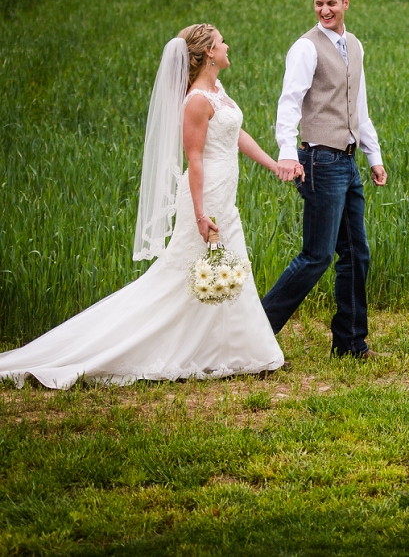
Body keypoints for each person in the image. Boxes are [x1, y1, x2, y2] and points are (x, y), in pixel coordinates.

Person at [0, 24, 285, 389]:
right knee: (190, 274)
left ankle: (233, 351)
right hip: (207, 194)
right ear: (209, 53)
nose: (228, 45)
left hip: (224, 192)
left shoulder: (217, 91)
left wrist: (273, 164)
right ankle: (140, 348)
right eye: (222, 41)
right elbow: (194, 158)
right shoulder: (197, 99)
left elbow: (235, 134)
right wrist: (200, 214)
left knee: (223, 267)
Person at [262, 0, 388, 358]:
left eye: (331, 3)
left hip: (347, 161)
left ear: (346, 3)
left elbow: (358, 107)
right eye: (319, 4)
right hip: (318, 159)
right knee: (316, 256)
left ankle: (350, 343)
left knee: (356, 253)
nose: (325, 10)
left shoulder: (354, 45)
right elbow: (289, 102)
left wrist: (374, 156)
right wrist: (287, 150)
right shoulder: (305, 48)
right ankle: (257, 331)